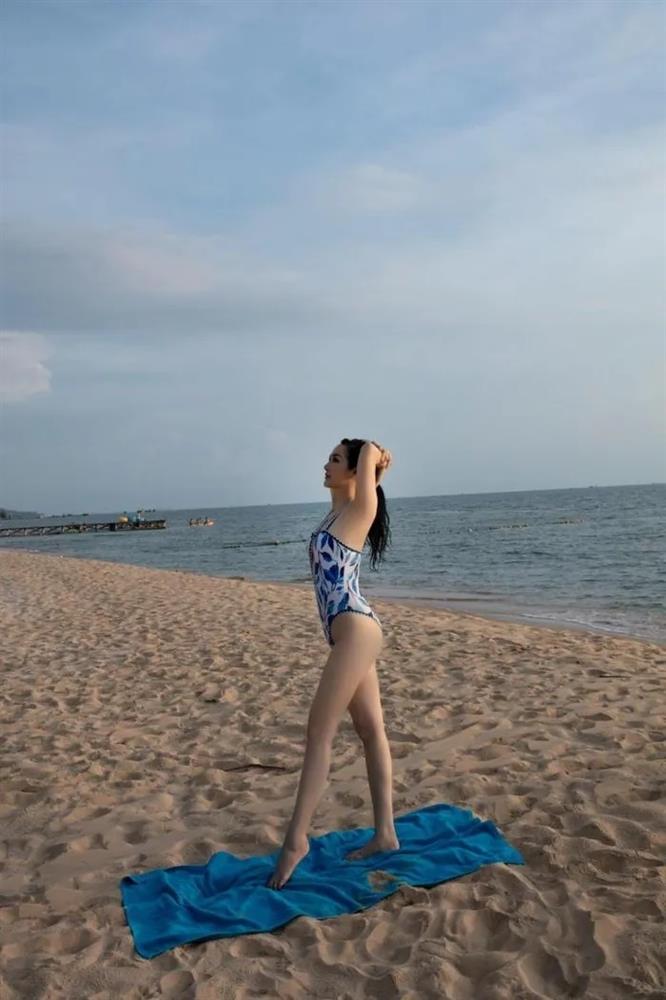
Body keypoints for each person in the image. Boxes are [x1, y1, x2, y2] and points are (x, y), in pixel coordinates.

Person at [267, 438, 395, 889]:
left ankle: (295, 842)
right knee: (370, 731)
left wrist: (374, 455)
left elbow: (370, 457)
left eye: (336, 459)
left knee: (319, 733)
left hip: (356, 630)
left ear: (355, 470)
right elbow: (364, 474)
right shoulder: (338, 512)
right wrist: (372, 468)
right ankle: (385, 834)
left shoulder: (362, 510)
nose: (325, 464)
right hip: (348, 632)